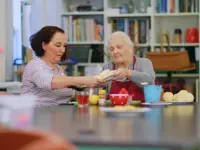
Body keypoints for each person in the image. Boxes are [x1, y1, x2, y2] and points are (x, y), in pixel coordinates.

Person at [21, 26, 103, 106]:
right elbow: (50, 82)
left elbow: (59, 92)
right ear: (44, 45)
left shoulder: (58, 68)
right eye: (58, 45)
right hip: (36, 116)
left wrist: (94, 85)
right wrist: (83, 80)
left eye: (64, 46)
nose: (63, 50)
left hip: (55, 115)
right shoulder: (34, 65)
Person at [102, 31, 155, 103]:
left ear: (130, 47)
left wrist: (129, 73)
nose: (115, 52)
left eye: (119, 47)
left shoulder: (144, 63)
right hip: (113, 112)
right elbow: (100, 94)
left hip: (141, 112)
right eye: (111, 49)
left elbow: (150, 82)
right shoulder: (107, 67)